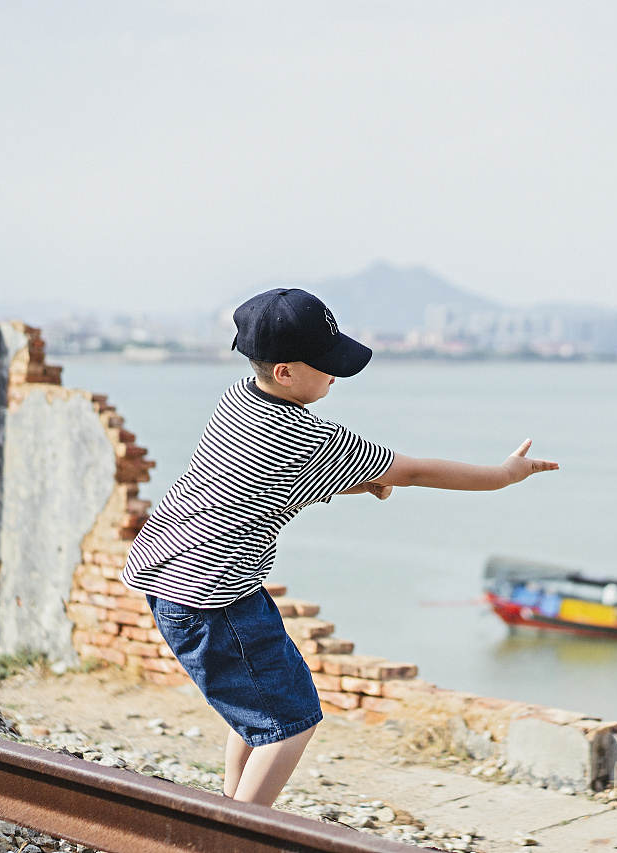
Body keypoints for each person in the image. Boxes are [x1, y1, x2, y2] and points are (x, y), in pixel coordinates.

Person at [121, 288, 559, 807]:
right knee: (289, 721)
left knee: (259, 713)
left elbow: (277, 472)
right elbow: (414, 471)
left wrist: (359, 481)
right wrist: (502, 476)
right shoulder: (304, 431)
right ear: (284, 371)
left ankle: (229, 810)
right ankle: (236, 835)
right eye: (327, 363)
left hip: (169, 575)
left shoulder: (240, 397)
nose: (336, 373)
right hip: (213, 601)